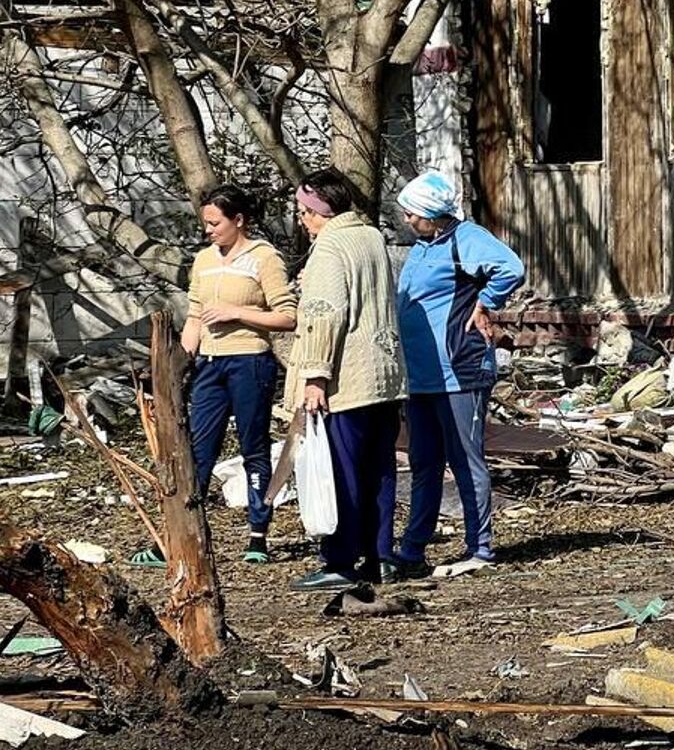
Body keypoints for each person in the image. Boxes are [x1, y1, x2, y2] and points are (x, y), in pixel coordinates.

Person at [134, 185, 295, 567]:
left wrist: (236, 313)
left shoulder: (264, 258)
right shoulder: (204, 261)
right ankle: (179, 540)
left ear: (239, 220)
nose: (208, 230)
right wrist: (175, 367)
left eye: (215, 222)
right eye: (205, 222)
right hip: (209, 364)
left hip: (250, 362)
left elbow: (287, 316)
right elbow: (194, 317)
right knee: (196, 452)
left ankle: (258, 534)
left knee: (253, 448)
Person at [385, 169, 524, 582]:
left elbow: (510, 267)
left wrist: (486, 303)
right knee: (425, 461)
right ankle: (413, 549)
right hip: (422, 376)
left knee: (465, 459)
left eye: (413, 214)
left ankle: (480, 547)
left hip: (459, 369)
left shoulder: (466, 238)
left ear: (433, 213)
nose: (408, 220)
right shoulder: (423, 246)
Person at [286, 167, 406, 592]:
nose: (302, 220)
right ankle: (381, 556)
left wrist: (315, 375)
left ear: (319, 210)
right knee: (379, 470)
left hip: (346, 378)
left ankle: (340, 560)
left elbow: (325, 313)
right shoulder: (371, 236)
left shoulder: (330, 246)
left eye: (303, 211)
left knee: (340, 472)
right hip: (384, 375)